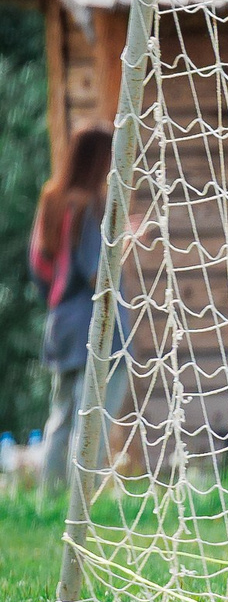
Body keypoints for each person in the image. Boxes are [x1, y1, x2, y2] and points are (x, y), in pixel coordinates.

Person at [27, 123, 125, 489]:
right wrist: (123, 245)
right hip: (96, 325)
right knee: (94, 419)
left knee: (62, 416)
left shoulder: (50, 200)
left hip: (60, 324)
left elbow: (39, 267)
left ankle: (49, 497)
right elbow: (96, 269)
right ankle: (80, 501)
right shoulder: (93, 204)